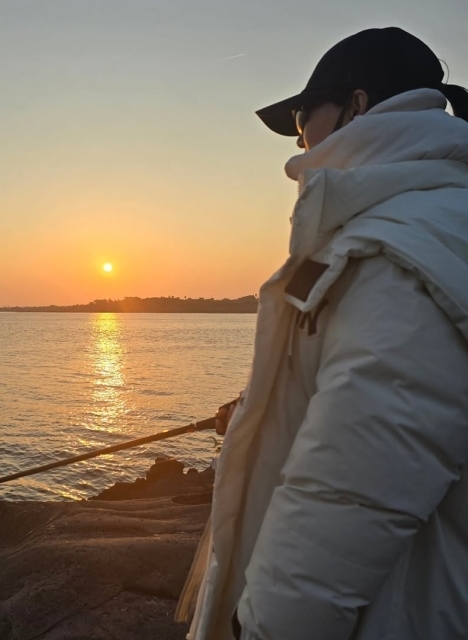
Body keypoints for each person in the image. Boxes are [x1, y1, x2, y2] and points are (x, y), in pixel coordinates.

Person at [186, 27, 468, 640]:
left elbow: (350, 496)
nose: (298, 138)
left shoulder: (399, 251)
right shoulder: (440, 220)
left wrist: (258, 628)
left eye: (301, 118)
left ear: (357, 106)